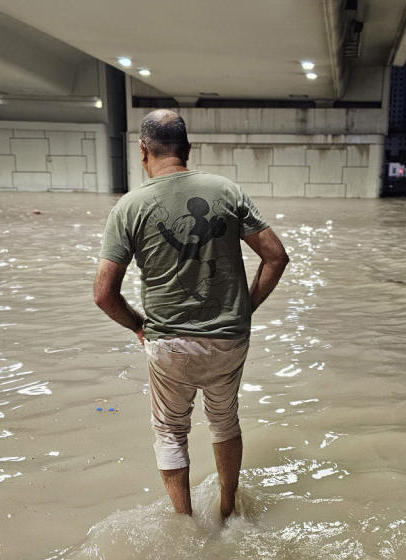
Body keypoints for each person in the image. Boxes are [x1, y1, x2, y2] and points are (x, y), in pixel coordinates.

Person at [93, 109, 288, 520]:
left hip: (168, 343)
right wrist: (243, 308)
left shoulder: (130, 206)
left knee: (170, 430)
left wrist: (138, 326)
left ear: (142, 150)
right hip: (228, 339)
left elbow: (103, 294)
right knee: (224, 420)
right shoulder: (227, 191)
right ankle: (228, 510)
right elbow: (276, 257)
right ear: (188, 149)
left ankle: (184, 524)